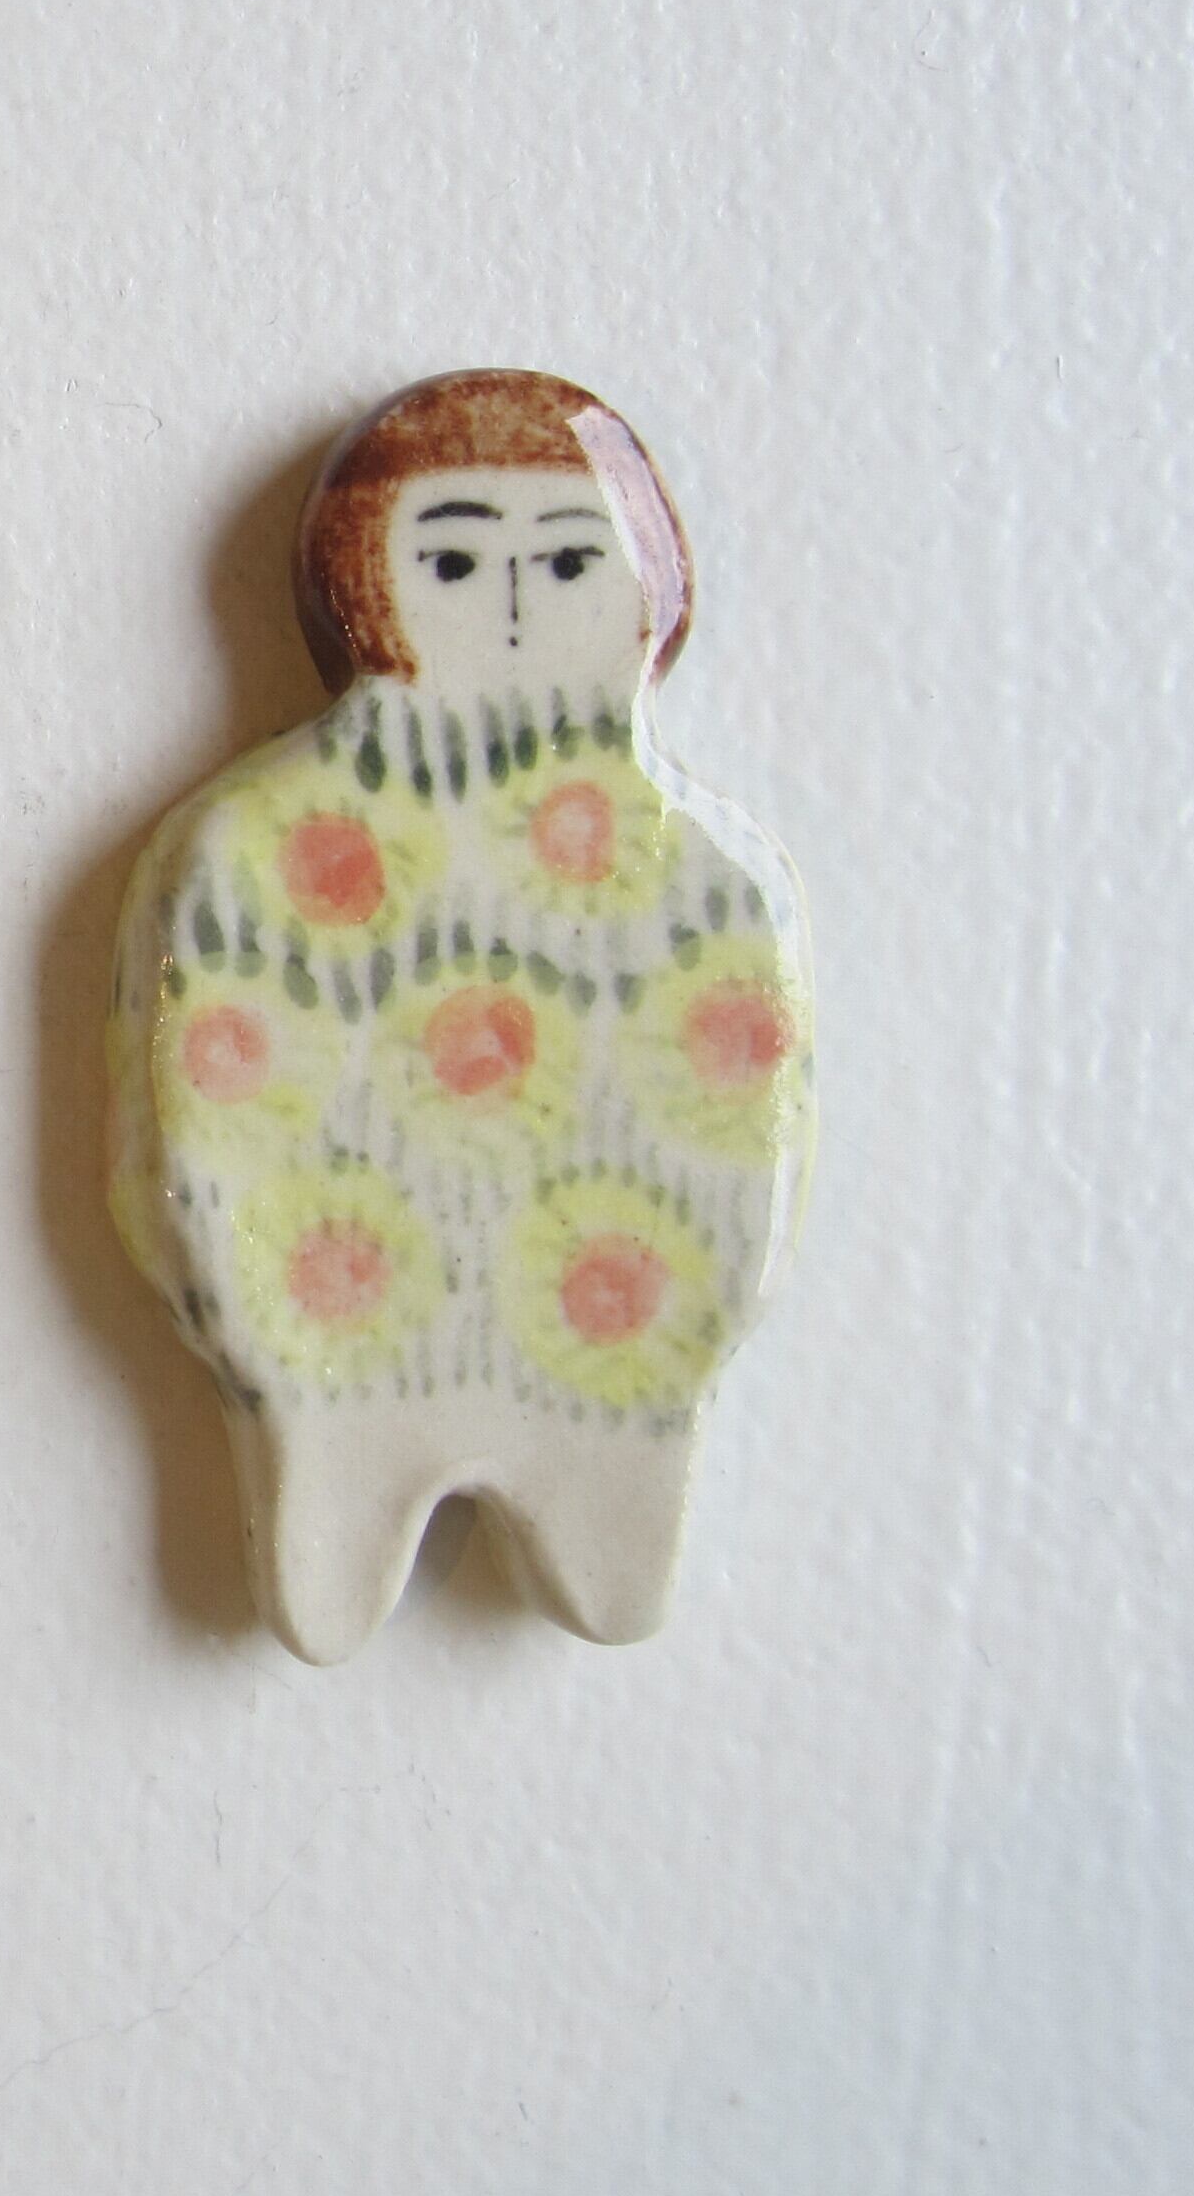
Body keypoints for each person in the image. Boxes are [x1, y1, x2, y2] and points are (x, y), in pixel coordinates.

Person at [112, 370, 814, 1661]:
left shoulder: (711, 880)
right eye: (451, 560)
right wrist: (254, 1322)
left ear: (646, 590)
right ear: (365, 581)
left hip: (618, 1348)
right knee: (328, 1575)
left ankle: (594, 1493)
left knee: (611, 1569)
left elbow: (737, 1135)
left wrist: (682, 1333)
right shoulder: (255, 848)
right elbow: (212, 1111)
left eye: (568, 562)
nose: (512, 601)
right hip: (330, 1348)